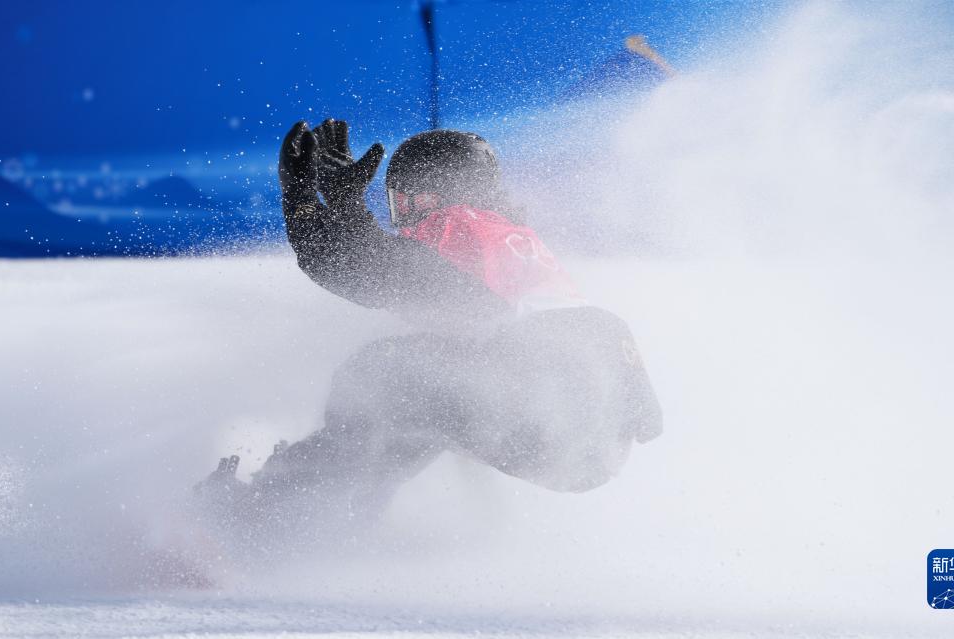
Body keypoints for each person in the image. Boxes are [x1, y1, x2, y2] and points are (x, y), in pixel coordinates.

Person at [194, 119, 662, 546]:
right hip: (595, 443)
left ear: (435, 193)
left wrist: (306, 197)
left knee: (381, 374)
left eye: (403, 200)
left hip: (542, 423)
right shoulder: (512, 237)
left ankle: (273, 518)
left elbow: (367, 268)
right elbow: (412, 276)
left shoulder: (457, 223)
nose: (402, 217)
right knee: (424, 398)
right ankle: (325, 519)